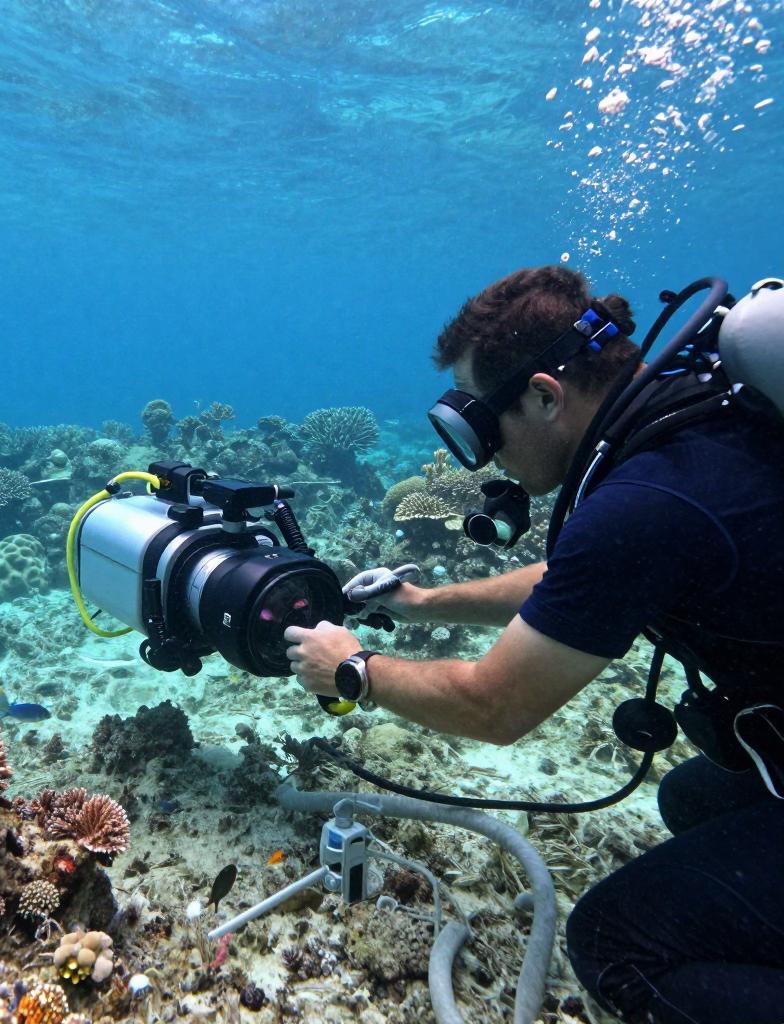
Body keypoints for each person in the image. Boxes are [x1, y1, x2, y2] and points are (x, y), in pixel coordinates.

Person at [283, 265, 784, 1024]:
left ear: (546, 395)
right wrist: (419, 604)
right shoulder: (686, 418)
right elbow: (577, 577)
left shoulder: (645, 501)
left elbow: (496, 706)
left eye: (479, 428)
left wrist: (353, 669)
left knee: (616, 946)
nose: (481, 459)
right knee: (694, 798)